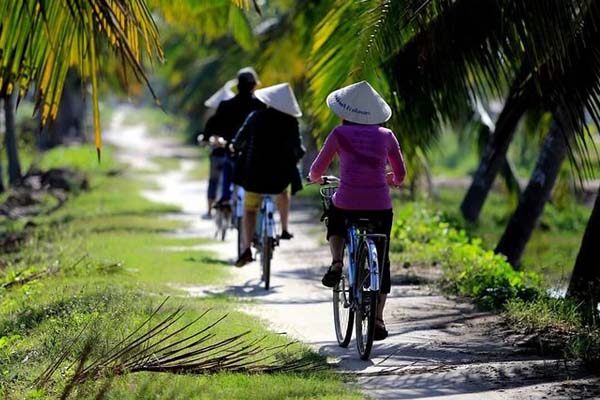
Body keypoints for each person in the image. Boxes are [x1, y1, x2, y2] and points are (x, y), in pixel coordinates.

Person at [308, 81, 406, 341]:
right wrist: (392, 181)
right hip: (380, 206)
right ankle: (378, 319)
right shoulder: (386, 136)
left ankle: (338, 261)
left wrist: (316, 177)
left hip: (348, 200)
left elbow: (317, 170)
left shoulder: (339, 135)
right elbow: (401, 174)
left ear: (345, 112)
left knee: (336, 218)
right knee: (382, 262)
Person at [231, 82, 305, 267]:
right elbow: (298, 149)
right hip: (279, 178)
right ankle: (285, 229)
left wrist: (235, 147)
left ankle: (246, 248)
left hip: (254, 176)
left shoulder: (255, 117)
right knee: (283, 193)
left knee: (249, 210)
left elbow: (239, 140)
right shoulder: (291, 122)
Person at [209, 67, 264, 207]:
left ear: (238, 85)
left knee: (228, 164)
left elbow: (216, 130)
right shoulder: (260, 105)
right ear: (254, 85)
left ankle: (225, 197)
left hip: (231, 152)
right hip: (254, 155)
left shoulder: (225, 105)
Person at [199, 80, 236, 219]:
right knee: (232, 180)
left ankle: (209, 211)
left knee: (213, 181)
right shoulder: (234, 120)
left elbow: (205, 137)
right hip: (232, 155)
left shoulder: (213, 120)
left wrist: (208, 140)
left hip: (217, 156)